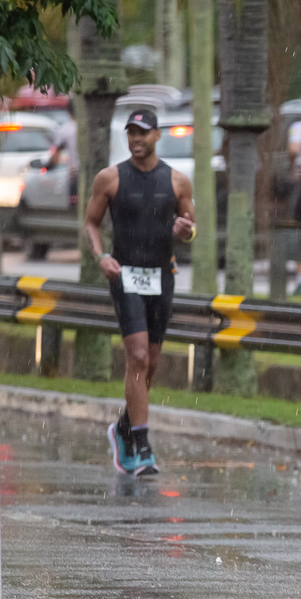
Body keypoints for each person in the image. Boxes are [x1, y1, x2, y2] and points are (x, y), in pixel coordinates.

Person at [87, 109, 196, 477]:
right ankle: (143, 445)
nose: (136, 139)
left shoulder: (178, 181)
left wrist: (185, 230)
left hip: (162, 276)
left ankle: (123, 428)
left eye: (143, 133)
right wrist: (101, 255)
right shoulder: (111, 178)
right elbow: (91, 222)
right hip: (125, 274)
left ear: (157, 136)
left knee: (150, 363)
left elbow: (190, 228)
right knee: (136, 356)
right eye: (131, 133)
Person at [46, 99, 78, 204]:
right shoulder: (90, 127)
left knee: (75, 208)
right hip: (96, 174)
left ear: (68, 111)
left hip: (76, 175)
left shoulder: (65, 129)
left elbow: (55, 157)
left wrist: (47, 167)